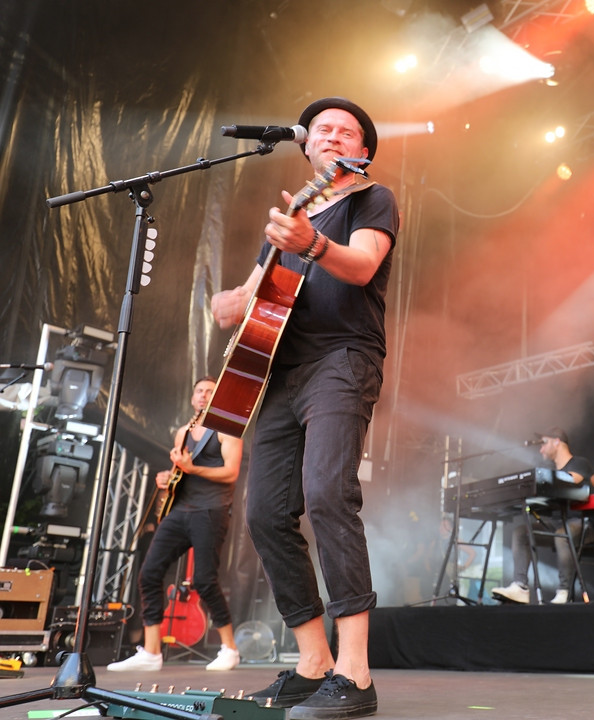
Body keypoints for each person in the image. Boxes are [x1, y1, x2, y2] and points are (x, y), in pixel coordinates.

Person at [210, 96, 397, 719]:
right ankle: (313, 661)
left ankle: (356, 673)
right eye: (324, 128)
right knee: (264, 514)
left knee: (327, 495)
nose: (335, 134)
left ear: (360, 149)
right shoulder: (290, 213)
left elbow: (364, 266)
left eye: (348, 130)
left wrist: (313, 242)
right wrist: (229, 303)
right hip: (278, 371)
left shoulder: (372, 199)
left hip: (343, 358)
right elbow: (253, 295)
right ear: (306, 145)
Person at [107, 376, 243, 672]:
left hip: (211, 511)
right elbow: (180, 473)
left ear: (219, 396)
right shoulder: (183, 432)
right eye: (200, 392)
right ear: (193, 399)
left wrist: (192, 468)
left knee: (205, 580)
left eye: (210, 391)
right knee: (149, 573)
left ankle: (230, 648)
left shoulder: (228, 430)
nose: (204, 396)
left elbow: (231, 473)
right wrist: (167, 480)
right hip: (180, 510)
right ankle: (152, 652)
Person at [491, 427, 592, 605]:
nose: (541, 449)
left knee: (562, 535)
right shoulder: (549, 470)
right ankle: (520, 587)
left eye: (543, 443)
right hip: (557, 523)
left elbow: (572, 480)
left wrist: (542, 479)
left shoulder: (579, 463)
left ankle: (564, 591)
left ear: (557, 441)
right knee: (521, 533)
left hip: (582, 522)